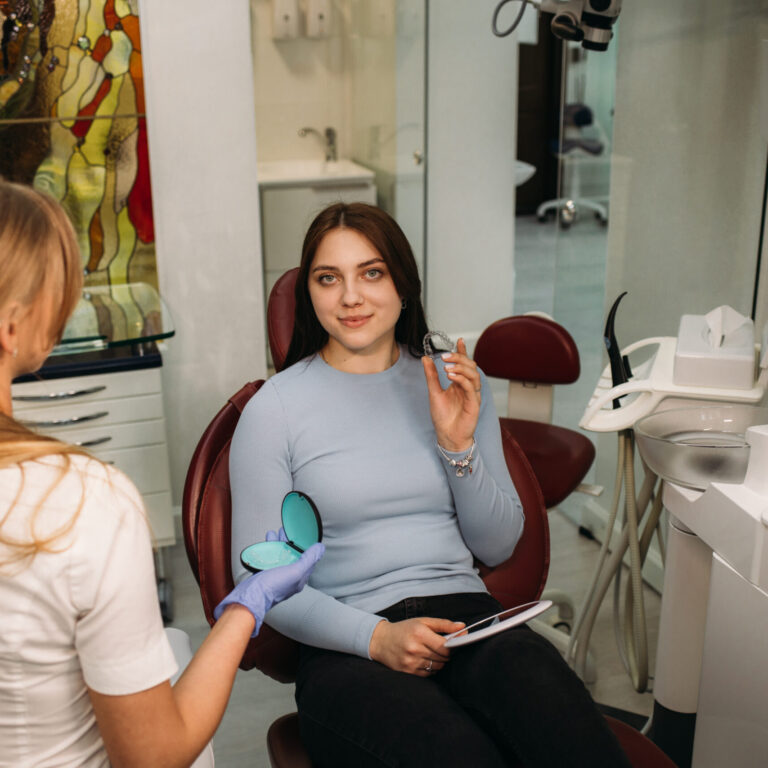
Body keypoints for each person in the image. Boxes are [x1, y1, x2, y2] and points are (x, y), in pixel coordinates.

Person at [230, 201, 632, 767]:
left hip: (468, 619)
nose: (351, 297)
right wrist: (376, 638)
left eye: (372, 273)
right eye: (328, 278)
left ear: (403, 284)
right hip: (346, 645)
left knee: (569, 732)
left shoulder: (452, 384)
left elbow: (496, 545)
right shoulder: (273, 411)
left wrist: (456, 445)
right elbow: (258, 580)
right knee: (457, 754)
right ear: (310, 295)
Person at [0, 180, 324, 768]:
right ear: (12, 326)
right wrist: (246, 607)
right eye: (58, 287)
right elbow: (154, 755)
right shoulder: (78, 503)